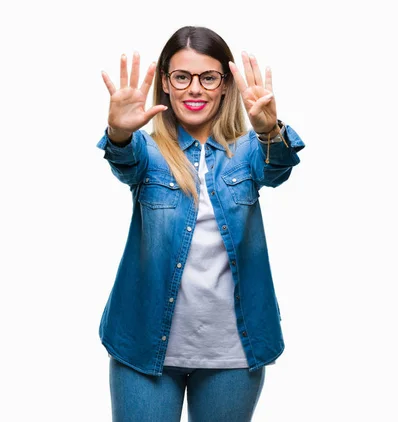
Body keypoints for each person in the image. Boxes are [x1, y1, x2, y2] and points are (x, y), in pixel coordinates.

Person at [96, 25, 305, 422]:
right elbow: (124, 160)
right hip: (143, 345)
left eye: (208, 77)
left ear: (224, 85)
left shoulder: (247, 151)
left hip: (232, 353)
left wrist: (268, 131)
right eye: (182, 76)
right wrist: (119, 133)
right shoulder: (148, 150)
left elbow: (277, 170)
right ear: (166, 82)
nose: (195, 89)